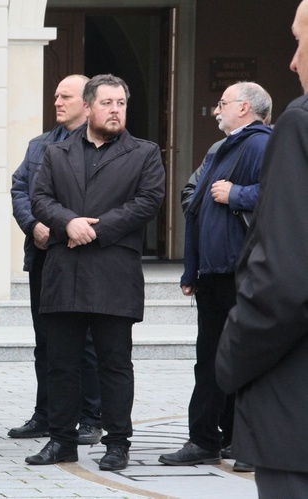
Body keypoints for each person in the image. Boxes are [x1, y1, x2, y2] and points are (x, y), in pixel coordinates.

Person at [28, 74, 165, 471]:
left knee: (114, 363)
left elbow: (149, 201)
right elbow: (39, 198)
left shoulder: (144, 152)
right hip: (64, 273)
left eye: (121, 103)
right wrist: (68, 222)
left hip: (113, 273)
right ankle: (61, 441)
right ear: (88, 107)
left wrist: (94, 229)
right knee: (62, 362)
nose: (115, 110)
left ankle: (118, 442)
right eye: (107, 103)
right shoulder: (57, 152)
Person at [216, 3, 308, 494]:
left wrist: (230, 358)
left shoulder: (299, 123)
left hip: (297, 410)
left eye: (299, 40)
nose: (293, 61)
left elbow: (285, 279)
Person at [159, 82, 271, 471]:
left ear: (244, 108)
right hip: (214, 275)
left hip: (240, 273)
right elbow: (196, 202)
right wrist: (192, 270)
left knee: (239, 360)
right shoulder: (220, 147)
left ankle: (242, 442)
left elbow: (278, 194)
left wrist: (237, 194)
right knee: (210, 361)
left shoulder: (259, 144)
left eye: (223, 103)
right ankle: (208, 439)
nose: (216, 109)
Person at [10, 74, 102, 445]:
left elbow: (91, 203)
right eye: (55, 96)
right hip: (43, 256)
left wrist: (59, 228)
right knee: (45, 340)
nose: (57, 102)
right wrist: (34, 226)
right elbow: (19, 189)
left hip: (80, 258)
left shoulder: (98, 146)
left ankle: (91, 417)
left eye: (66, 96)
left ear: (87, 103)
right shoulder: (39, 146)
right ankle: (46, 413)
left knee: (85, 343)